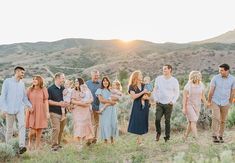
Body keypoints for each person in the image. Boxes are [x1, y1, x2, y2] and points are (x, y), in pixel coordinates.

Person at [0, 66, 32, 154]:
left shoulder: (22, 84)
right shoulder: (7, 82)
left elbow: (24, 98)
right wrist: (3, 108)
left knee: (22, 126)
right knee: (9, 129)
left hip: (19, 108)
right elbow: (3, 96)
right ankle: (8, 146)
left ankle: (22, 146)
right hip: (9, 109)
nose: (23, 75)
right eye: (22, 73)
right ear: (17, 72)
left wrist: (30, 106)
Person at [208, 64, 235, 143]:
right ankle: (214, 136)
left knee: (223, 120)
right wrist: (209, 101)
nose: (220, 72)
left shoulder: (233, 79)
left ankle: (220, 135)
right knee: (216, 118)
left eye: (221, 70)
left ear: (227, 70)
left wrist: (230, 102)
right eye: (219, 70)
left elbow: (233, 92)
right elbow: (211, 90)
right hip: (215, 101)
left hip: (226, 102)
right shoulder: (215, 78)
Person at [153, 64, 179, 142]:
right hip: (159, 103)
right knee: (157, 119)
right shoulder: (158, 79)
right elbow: (155, 89)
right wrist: (155, 99)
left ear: (170, 70)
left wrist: (173, 101)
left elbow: (177, 92)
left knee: (167, 121)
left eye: (165, 69)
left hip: (169, 104)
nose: (163, 70)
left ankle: (167, 137)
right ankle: (158, 132)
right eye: (163, 69)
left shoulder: (174, 80)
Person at [26, 75, 50, 150]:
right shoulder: (29, 89)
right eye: (33, 79)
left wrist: (47, 112)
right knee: (32, 130)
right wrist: (28, 107)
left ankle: (37, 146)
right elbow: (25, 100)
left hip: (41, 111)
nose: (34, 80)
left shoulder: (44, 89)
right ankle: (29, 142)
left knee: (39, 129)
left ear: (40, 81)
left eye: (36, 79)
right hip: (31, 111)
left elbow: (46, 101)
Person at [182, 71, 207, 140]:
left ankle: (185, 136)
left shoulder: (201, 85)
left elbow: (202, 96)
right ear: (195, 77)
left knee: (191, 122)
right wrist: (184, 108)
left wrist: (206, 103)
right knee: (193, 121)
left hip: (197, 105)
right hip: (189, 105)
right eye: (199, 76)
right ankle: (196, 138)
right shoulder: (188, 86)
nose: (201, 77)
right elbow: (184, 98)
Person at [48, 72, 69, 151]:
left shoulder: (63, 88)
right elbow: (48, 101)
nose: (64, 80)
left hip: (64, 113)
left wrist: (67, 103)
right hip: (54, 112)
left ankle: (58, 144)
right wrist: (58, 104)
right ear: (57, 78)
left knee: (61, 129)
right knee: (56, 129)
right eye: (62, 78)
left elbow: (66, 98)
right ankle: (53, 146)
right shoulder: (50, 89)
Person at [127, 70, 149, 145]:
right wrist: (143, 92)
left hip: (145, 105)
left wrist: (147, 97)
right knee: (138, 121)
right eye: (140, 75)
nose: (142, 76)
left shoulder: (144, 85)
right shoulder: (132, 86)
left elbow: (149, 94)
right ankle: (139, 141)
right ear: (136, 76)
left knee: (143, 121)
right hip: (137, 106)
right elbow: (134, 96)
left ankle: (139, 139)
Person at [71, 78, 94, 147]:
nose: (76, 82)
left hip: (86, 111)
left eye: (77, 81)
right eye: (75, 81)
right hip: (77, 111)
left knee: (86, 125)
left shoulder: (86, 90)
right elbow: (72, 101)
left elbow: (91, 99)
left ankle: (87, 141)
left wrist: (86, 102)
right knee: (79, 126)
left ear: (81, 82)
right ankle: (78, 144)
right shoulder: (73, 91)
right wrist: (81, 103)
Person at [95, 76, 119, 144]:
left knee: (112, 123)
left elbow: (117, 98)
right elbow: (101, 100)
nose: (105, 82)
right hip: (104, 109)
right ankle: (105, 140)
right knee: (105, 124)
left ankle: (112, 140)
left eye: (106, 81)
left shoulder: (111, 90)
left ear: (109, 82)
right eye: (104, 81)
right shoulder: (99, 90)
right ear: (102, 82)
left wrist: (114, 100)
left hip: (112, 109)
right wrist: (111, 102)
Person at [86, 70, 101, 143]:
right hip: (89, 107)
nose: (96, 77)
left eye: (97, 75)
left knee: (96, 123)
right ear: (91, 76)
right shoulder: (87, 83)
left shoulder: (101, 84)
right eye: (95, 75)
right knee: (89, 123)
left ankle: (94, 138)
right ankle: (89, 139)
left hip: (98, 107)